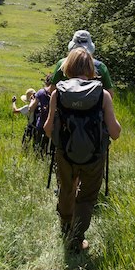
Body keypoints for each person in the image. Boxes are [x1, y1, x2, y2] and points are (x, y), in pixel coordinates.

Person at [44, 47, 121, 253]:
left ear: (67, 67)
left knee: (66, 189)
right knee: (86, 197)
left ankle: (65, 226)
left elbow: (47, 129)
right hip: (94, 157)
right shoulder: (102, 94)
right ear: (90, 68)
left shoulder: (57, 93)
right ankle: (77, 240)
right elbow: (115, 133)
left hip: (65, 155)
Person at [50, 30, 114, 98]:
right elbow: (110, 94)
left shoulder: (62, 64)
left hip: (66, 106)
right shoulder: (100, 66)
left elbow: (53, 89)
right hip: (93, 106)